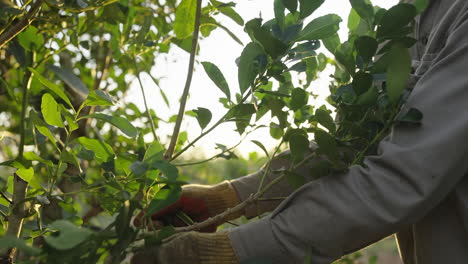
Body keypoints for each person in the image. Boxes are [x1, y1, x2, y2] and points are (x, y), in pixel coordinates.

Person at [132, 0, 468, 263]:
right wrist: (227, 197)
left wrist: (226, 252)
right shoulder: (403, 19)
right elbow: (350, 147)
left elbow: (404, 177)